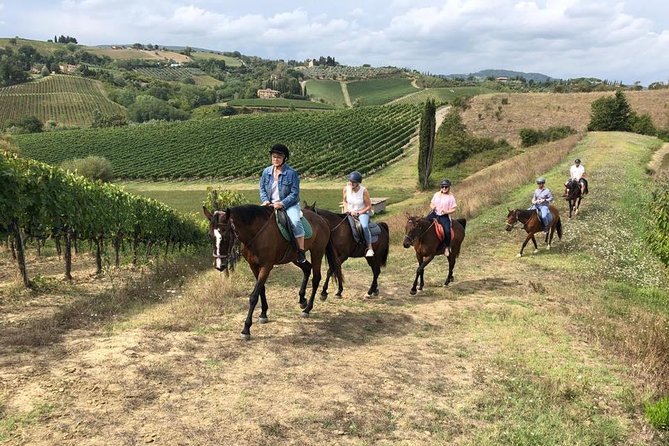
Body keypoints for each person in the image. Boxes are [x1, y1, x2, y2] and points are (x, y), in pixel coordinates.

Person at [260, 143, 306, 263]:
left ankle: (301, 251)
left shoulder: (291, 173)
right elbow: (262, 189)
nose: (275, 159)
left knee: (295, 222)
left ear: (284, 159)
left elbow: (294, 193)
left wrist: (282, 204)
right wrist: (265, 200)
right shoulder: (266, 172)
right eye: (274, 157)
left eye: (279, 157)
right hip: (269, 204)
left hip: (288, 205)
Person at [342, 171, 375, 257]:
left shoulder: (363, 191)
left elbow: (369, 206)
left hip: (362, 212)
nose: (351, 183)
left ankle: (369, 247)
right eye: (350, 181)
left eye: (353, 182)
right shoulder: (346, 189)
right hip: (349, 212)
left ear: (358, 183)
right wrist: (346, 209)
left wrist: (359, 213)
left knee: (364, 226)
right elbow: (344, 201)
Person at [427, 179, 457, 256]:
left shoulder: (451, 197)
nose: (444, 188)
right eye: (442, 186)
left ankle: (447, 247)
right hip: (435, 213)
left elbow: (454, 209)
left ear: (449, 187)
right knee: (424, 223)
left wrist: (447, 212)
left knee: (447, 230)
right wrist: (432, 207)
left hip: (444, 216)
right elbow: (431, 203)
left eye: (446, 187)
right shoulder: (436, 194)